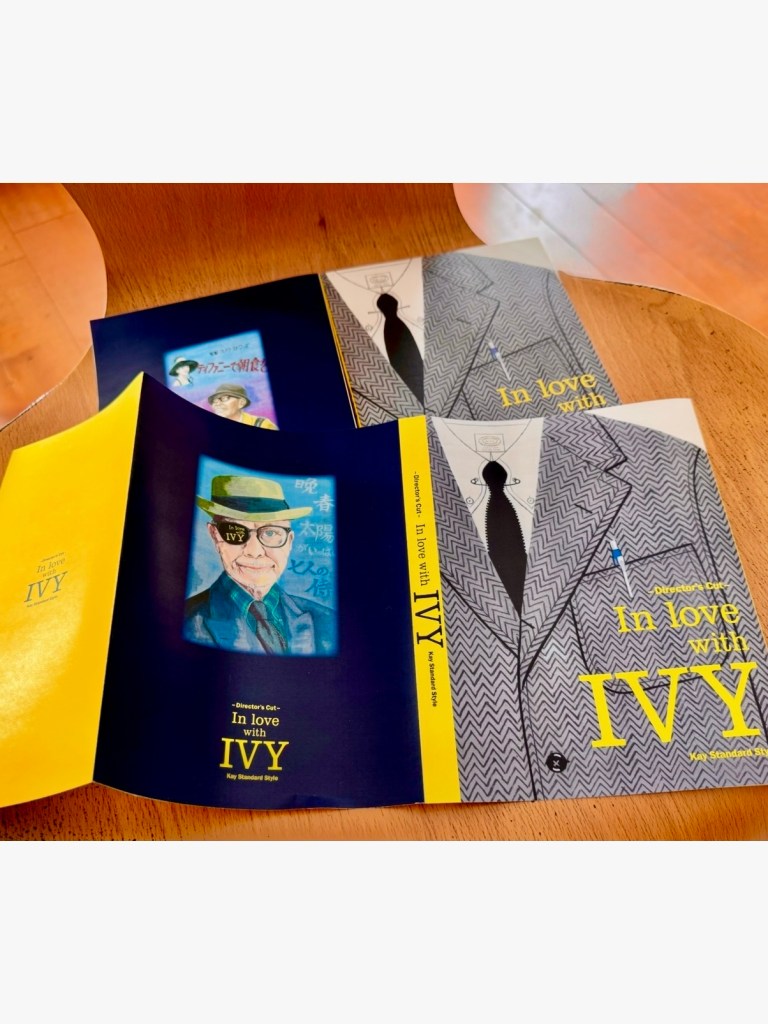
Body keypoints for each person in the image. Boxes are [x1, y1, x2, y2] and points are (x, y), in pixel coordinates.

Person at [183, 475, 335, 655]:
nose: (254, 551)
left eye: (271, 533)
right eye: (235, 532)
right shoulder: (188, 620)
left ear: (289, 541)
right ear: (215, 535)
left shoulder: (327, 620)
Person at [206, 383, 277, 428]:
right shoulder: (210, 428)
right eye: (215, 401)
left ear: (241, 403)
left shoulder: (262, 425)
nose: (217, 404)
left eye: (224, 398)